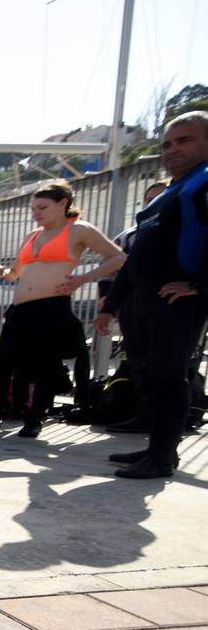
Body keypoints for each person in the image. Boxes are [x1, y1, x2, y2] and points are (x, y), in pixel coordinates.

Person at [95, 111, 208, 478]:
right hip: (143, 299)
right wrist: (111, 305)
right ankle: (157, 447)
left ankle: (161, 458)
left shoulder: (204, 183)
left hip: (177, 300)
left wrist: (198, 284)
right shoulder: (170, 192)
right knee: (151, 375)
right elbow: (132, 259)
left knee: (170, 376)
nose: (172, 149)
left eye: (184, 140)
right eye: (167, 144)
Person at [0, 181, 125, 438]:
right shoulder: (33, 236)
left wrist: (82, 278)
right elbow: (14, 273)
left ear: (63, 204)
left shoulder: (78, 230)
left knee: (43, 366)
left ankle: (34, 419)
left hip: (51, 307)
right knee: (4, 363)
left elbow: (118, 258)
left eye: (42, 207)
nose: (36, 213)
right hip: (19, 310)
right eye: (34, 208)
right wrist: (1, 271)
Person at [96, 180, 171, 431]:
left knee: (167, 366)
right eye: (150, 200)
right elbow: (118, 272)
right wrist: (107, 305)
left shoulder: (187, 226)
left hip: (173, 306)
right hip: (133, 305)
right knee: (138, 362)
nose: (154, 203)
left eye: (160, 198)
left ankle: (167, 425)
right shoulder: (131, 233)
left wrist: (196, 285)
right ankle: (143, 415)